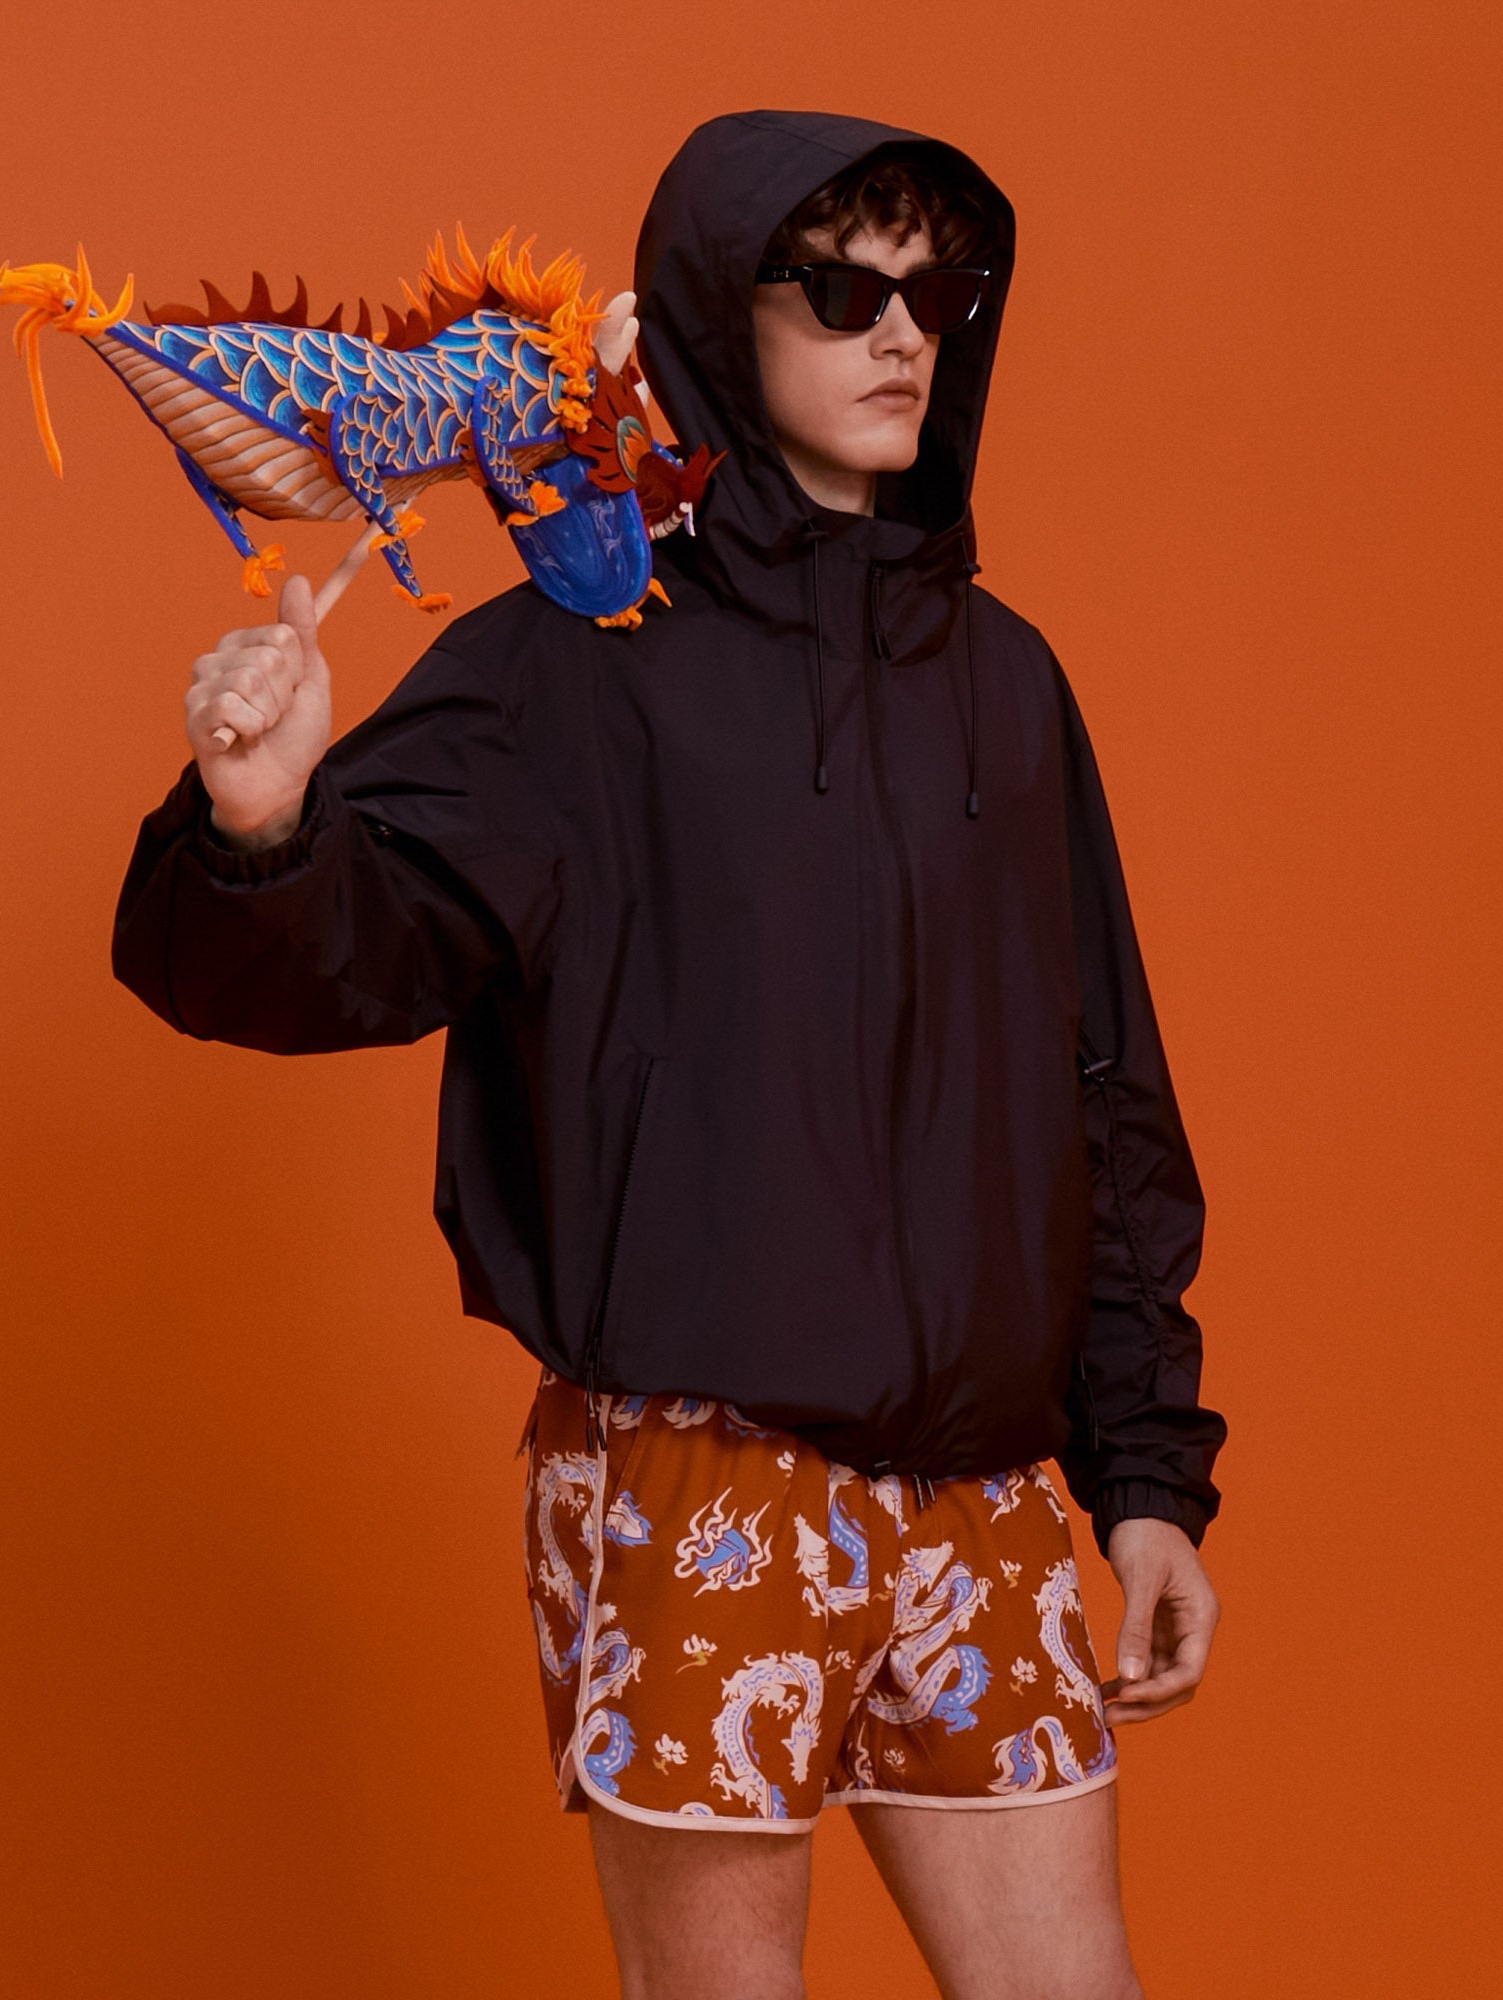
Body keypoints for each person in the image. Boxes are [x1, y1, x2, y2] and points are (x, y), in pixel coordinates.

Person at [113, 108, 1227, 2000]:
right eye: (843, 291)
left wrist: (1144, 1473)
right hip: (698, 1481)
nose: (902, 333)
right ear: (722, 313)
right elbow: (347, 955)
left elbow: (1103, 1086)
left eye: (939, 292)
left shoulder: (1009, 685)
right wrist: (260, 821)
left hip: (979, 1492)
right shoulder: (583, 656)